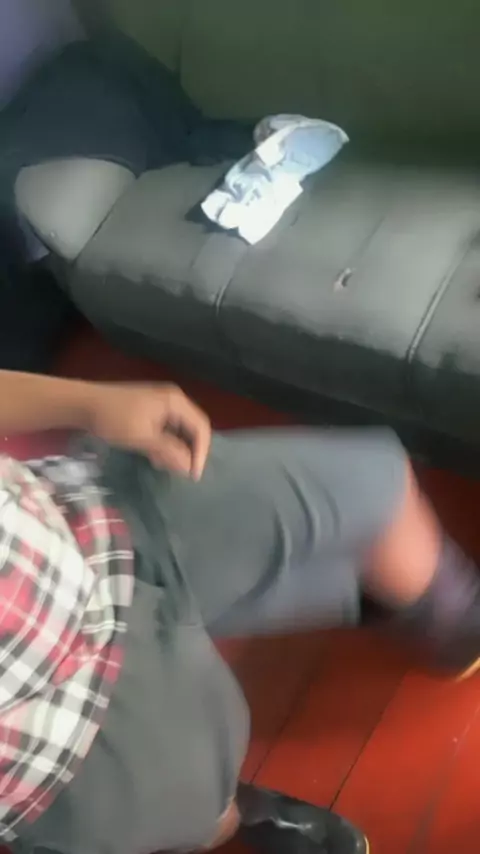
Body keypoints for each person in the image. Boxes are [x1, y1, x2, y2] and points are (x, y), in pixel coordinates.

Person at [0, 369, 478, 854]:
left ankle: (455, 628)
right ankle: (225, 814)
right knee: (194, 804)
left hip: (72, 519)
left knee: (377, 485)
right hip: (55, 728)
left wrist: (87, 403)